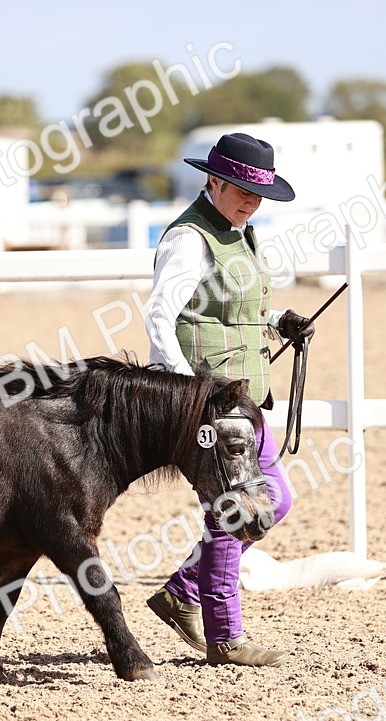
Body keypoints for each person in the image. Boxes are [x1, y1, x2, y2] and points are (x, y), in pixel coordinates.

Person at [143, 133, 314, 667]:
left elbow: (231, 309)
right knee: (232, 511)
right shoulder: (189, 239)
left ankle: (182, 592)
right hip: (209, 399)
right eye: (242, 190)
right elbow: (160, 315)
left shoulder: (238, 234)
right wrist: (183, 389)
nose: (251, 201)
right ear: (214, 181)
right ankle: (225, 635)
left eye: (258, 194)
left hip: (243, 397)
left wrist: (278, 321)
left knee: (274, 500)